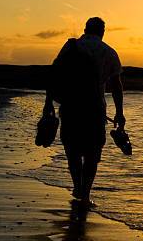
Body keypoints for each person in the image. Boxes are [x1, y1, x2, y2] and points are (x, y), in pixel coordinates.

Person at [42, 17, 125, 204]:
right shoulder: (108, 52)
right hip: (94, 110)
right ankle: (85, 193)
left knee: (72, 150)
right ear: (103, 32)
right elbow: (116, 86)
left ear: (85, 29)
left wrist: (48, 103)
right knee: (92, 153)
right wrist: (119, 113)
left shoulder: (71, 47)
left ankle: (77, 187)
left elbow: (54, 75)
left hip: (70, 107)